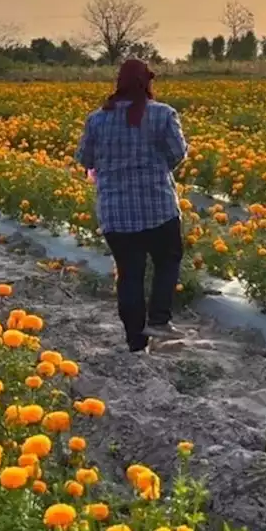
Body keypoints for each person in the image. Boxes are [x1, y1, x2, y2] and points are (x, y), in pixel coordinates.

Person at [76, 59, 189, 353]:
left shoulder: (97, 119)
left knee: (129, 273)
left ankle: (136, 342)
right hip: (158, 207)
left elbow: (85, 159)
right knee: (168, 260)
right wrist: (155, 166)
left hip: (116, 212)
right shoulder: (163, 114)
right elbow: (178, 153)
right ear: (148, 82)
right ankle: (160, 319)